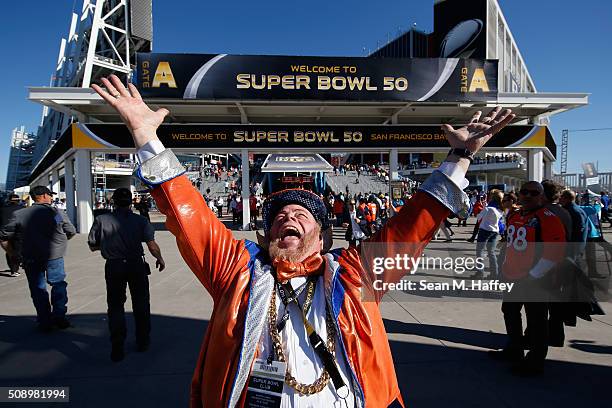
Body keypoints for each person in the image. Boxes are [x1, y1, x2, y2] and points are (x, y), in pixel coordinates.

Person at [92, 74, 513, 406]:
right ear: (266, 231)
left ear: (322, 235)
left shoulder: (355, 276)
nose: (288, 217)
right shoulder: (235, 273)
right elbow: (190, 215)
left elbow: (413, 226)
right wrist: (146, 136)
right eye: (279, 216)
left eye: (302, 214)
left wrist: (460, 157)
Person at [489, 182, 566, 376]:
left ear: (541, 196)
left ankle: (535, 360)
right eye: (525, 192)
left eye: (534, 193)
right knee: (510, 311)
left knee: (537, 320)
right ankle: (514, 348)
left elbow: (555, 251)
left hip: (535, 279)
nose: (528, 196)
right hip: (512, 275)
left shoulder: (548, 218)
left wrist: (534, 275)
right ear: (519, 195)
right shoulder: (515, 215)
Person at [88, 188, 165, 362]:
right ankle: (143, 341)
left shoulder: (101, 220)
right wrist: (159, 258)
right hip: (136, 264)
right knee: (141, 303)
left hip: (114, 266)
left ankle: (117, 346)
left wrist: (109, 246)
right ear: (131, 202)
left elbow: (93, 245)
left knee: (115, 306)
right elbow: (152, 245)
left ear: (113, 202)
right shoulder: (140, 221)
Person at [0, 186, 76, 331]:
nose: (51, 197)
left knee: (37, 288)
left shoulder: (20, 214)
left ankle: (45, 320)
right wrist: (60, 243)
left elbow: (4, 236)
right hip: (54, 256)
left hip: (30, 256)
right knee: (58, 284)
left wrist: (12, 253)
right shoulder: (55, 213)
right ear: (43, 196)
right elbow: (70, 231)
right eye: (50, 195)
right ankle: (59, 316)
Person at [474, 190, 504, 278]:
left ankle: (480, 272)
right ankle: (494, 273)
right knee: (491, 252)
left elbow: (478, 217)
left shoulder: (488, 208)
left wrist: (483, 208)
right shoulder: (501, 209)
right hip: (495, 231)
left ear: (492, 197)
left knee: (480, 251)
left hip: (484, 230)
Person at [0, 194, 24, 276]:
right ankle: (15, 269)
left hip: (3, 234)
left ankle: (13, 269)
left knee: (9, 252)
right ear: (18, 200)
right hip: (17, 233)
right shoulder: (22, 209)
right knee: (17, 252)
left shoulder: (2, 209)